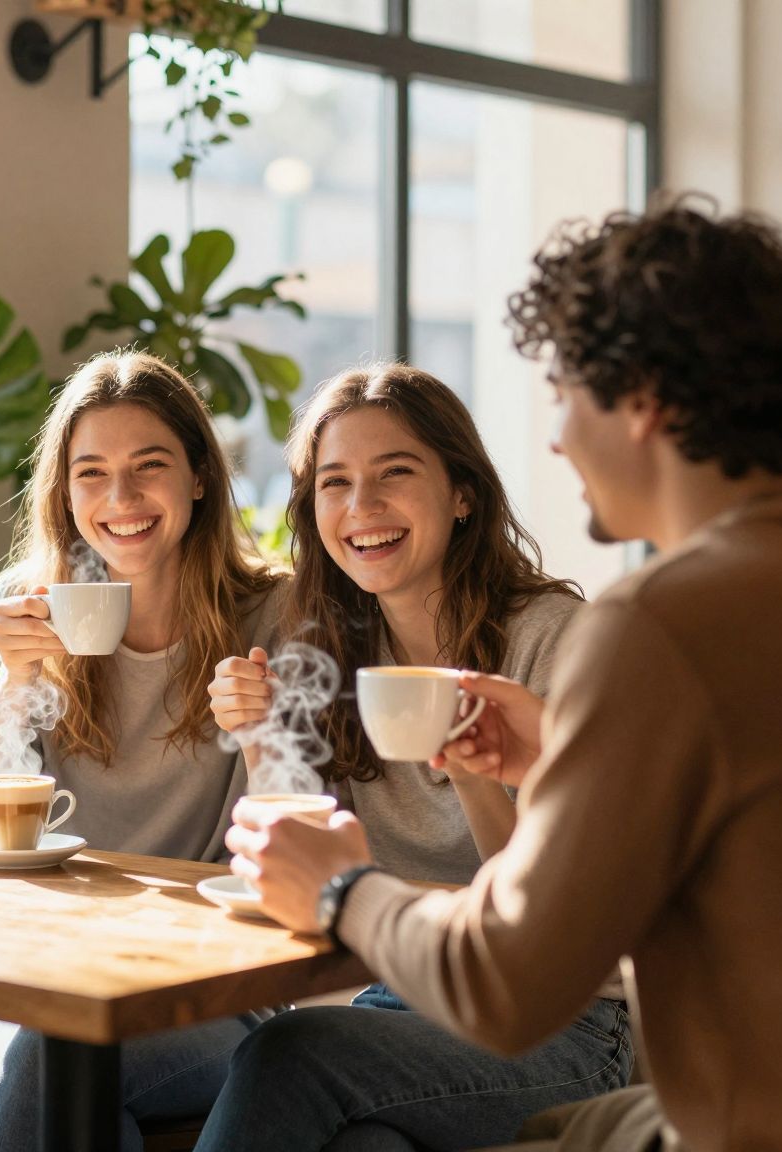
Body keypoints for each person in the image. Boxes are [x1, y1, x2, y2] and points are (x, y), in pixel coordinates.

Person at [223, 198, 782, 1152]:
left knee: (293, 1062)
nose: (558, 439)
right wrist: (562, 755)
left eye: (569, 395)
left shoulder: (656, 623)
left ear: (643, 401)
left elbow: (505, 988)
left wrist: (338, 888)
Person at [200, 366, 629, 1151]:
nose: (361, 509)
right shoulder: (325, 647)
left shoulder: (553, 639)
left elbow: (553, 919)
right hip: (401, 1001)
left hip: (569, 1024)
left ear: (462, 493)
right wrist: (264, 740)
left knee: (289, 1056)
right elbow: (293, 857)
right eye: (335, 484)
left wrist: (473, 772)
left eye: (394, 474)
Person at [0, 351, 287, 1152]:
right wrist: (14, 683)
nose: (120, 499)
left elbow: (284, 847)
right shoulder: (24, 610)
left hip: (203, 994)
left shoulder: (274, 611)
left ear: (200, 476)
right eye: (90, 472)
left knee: (55, 1064)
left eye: (149, 466)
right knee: (65, 1081)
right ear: (64, 494)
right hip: (29, 977)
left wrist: (266, 732)